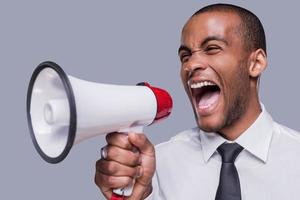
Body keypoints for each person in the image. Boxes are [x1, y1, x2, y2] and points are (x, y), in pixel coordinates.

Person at [95, 3, 300, 200]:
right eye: (185, 56)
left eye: (212, 48)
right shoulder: (154, 168)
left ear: (255, 63)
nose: (191, 65)